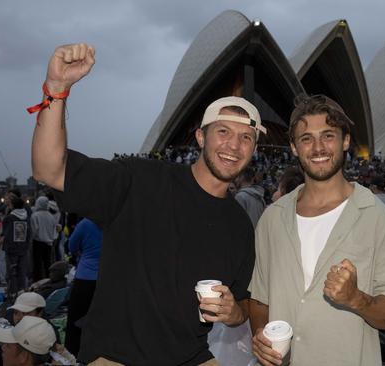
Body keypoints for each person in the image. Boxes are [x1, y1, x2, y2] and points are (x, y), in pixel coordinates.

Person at [30, 43, 260, 365]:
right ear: (199, 137)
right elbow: (49, 169)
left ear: (253, 149)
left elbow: (245, 305)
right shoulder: (141, 180)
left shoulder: (239, 225)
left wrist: (234, 312)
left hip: (190, 356)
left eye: (246, 138)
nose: (233, 145)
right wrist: (56, 89)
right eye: (223, 132)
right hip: (117, 357)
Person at [249, 94, 385, 365]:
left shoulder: (378, 219)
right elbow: (259, 299)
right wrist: (259, 333)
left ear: (345, 141)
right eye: (306, 139)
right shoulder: (272, 219)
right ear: (293, 147)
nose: (318, 148)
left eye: (328, 135)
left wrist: (355, 298)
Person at [65, 218, 101, 355]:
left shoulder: (86, 223)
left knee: (76, 320)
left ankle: (72, 354)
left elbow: (72, 246)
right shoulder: (114, 221)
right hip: (107, 278)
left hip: (85, 277)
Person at [1, 197, 32, 296]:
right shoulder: (26, 217)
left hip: (11, 249)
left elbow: (5, 233)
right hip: (23, 248)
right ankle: (21, 292)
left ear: (13, 206)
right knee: (21, 272)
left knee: (11, 272)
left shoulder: (9, 217)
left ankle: (13, 293)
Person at [30, 196, 58, 282]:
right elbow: (54, 230)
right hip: (49, 243)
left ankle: (38, 281)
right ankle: (48, 279)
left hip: (38, 242)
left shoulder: (35, 215)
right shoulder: (51, 216)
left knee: (37, 264)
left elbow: (34, 230)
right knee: (47, 263)